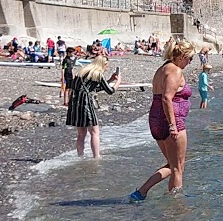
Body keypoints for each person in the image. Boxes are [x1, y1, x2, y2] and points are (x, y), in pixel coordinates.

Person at [131, 40, 195, 201]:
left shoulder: (162, 69)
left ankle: (140, 193)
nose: (190, 62)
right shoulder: (175, 71)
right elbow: (167, 98)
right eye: (190, 58)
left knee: (172, 165)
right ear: (181, 56)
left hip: (156, 120)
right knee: (178, 168)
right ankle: (176, 207)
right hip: (171, 120)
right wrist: (173, 125)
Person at [66, 55, 118, 159]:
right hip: (85, 102)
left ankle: (80, 157)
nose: (106, 68)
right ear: (102, 64)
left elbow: (93, 88)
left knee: (81, 133)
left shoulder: (83, 71)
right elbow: (110, 91)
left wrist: (110, 80)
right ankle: (96, 157)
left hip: (75, 102)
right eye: (106, 65)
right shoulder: (97, 74)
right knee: (94, 131)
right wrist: (118, 82)